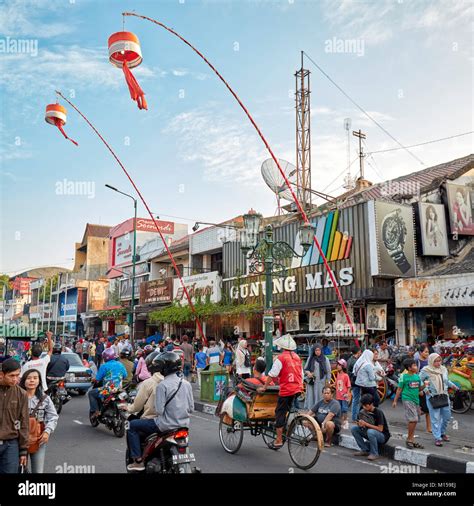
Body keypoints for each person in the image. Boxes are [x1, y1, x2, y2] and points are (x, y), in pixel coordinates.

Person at [127, 352, 194, 471]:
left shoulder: (162, 386)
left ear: (165, 368)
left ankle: (138, 461)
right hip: (184, 426)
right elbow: (191, 409)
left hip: (165, 426)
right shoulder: (186, 384)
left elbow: (159, 411)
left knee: (132, 426)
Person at [257, 334, 303, 450]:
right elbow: (301, 374)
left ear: (282, 347)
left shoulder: (281, 358)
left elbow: (272, 374)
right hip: (297, 388)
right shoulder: (297, 357)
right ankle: (284, 430)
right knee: (288, 409)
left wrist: (265, 387)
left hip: (286, 389)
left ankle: (278, 440)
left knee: (280, 412)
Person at [19, 369, 58, 473]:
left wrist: (47, 431)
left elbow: (53, 416)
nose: (32, 380)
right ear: (23, 381)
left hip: (38, 439)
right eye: (29, 378)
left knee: (38, 471)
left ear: (39, 381)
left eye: (35, 378)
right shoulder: (17, 397)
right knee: (21, 470)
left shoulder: (45, 398)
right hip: (19, 439)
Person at [419, 353, 459, 447]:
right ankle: (437, 437)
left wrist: (453, 386)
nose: (438, 363)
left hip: (444, 395)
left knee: (447, 416)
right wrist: (425, 390)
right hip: (432, 396)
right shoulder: (426, 370)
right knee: (435, 418)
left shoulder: (443, 369)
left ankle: (442, 432)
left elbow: (446, 380)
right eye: (435, 361)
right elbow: (419, 380)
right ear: (431, 361)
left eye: (439, 360)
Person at [0, 358, 29, 473]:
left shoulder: (22, 394)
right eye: (12, 376)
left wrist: (23, 451)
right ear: (2, 374)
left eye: (17, 375)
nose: (15, 379)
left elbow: (24, 423)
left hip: (11, 445)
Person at [392, 359, 424, 449]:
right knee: (413, 419)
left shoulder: (417, 377)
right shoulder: (403, 377)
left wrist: (425, 386)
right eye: (414, 365)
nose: (416, 367)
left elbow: (419, 389)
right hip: (407, 399)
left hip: (416, 400)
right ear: (409, 368)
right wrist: (395, 401)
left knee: (415, 420)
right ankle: (409, 439)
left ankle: (412, 439)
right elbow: (399, 389)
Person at [88, 348, 127, 419]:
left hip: (107, 390)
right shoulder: (120, 364)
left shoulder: (104, 366)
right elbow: (125, 375)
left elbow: (97, 379)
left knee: (91, 393)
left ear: (105, 357)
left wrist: (93, 379)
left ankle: (96, 411)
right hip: (119, 389)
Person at [351, 393, 391, 461]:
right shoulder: (363, 410)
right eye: (363, 405)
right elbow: (358, 421)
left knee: (370, 431)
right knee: (354, 429)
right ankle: (364, 450)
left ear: (371, 404)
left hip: (382, 436)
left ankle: (374, 453)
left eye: (366, 406)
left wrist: (366, 424)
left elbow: (380, 429)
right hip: (369, 432)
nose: (364, 407)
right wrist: (359, 424)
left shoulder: (378, 412)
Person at [126, 351, 164, 420]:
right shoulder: (178, 382)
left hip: (153, 419)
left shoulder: (140, 359)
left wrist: (128, 408)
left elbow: (137, 370)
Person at [304, 344, 331, 409]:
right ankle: (311, 411)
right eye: (316, 350)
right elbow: (305, 369)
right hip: (312, 382)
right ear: (314, 351)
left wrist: (328, 381)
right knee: (311, 396)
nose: (317, 352)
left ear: (321, 350)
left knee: (320, 396)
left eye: (319, 350)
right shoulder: (310, 358)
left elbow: (328, 371)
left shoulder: (325, 359)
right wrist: (309, 373)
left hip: (321, 382)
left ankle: (320, 410)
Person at [335, 358, 351, 429]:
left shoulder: (346, 375)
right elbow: (336, 383)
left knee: (344, 410)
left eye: (340, 365)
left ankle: (345, 422)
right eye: (338, 364)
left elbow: (349, 386)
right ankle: (341, 422)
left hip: (344, 396)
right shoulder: (338, 375)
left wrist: (347, 394)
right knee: (339, 410)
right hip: (338, 396)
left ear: (343, 366)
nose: (338, 366)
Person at [347, 346, 362, 422]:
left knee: (356, 399)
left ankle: (355, 416)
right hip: (355, 381)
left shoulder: (350, 359)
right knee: (356, 400)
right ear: (358, 352)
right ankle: (354, 417)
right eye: (360, 352)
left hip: (352, 381)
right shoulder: (354, 361)